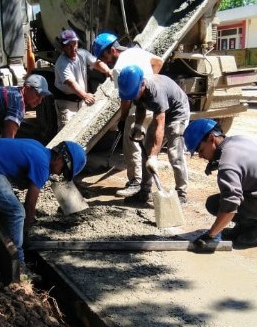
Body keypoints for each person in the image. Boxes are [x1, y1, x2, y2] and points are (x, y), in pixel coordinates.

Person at [0, 138, 87, 264]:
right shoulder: (42, 164)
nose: (59, 174)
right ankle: (17, 263)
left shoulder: (39, 148)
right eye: (63, 170)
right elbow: (29, 206)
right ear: (59, 158)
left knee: (7, 210)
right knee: (17, 212)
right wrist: (24, 231)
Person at [183, 118, 257, 252]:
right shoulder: (238, 140)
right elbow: (244, 163)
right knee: (222, 204)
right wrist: (215, 162)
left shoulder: (228, 163)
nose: (200, 156)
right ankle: (251, 224)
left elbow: (230, 204)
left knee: (215, 204)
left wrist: (210, 235)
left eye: (200, 150)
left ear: (211, 138)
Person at [92, 33, 164, 197]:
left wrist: (123, 119)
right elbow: (159, 62)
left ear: (112, 49)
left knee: (132, 146)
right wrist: (151, 79)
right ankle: (146, 186)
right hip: (152, 105)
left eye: (104, 56)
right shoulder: (137, 52)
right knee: (148, 148)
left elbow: (125, 99)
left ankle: (135, 183)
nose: (105, 61)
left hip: (136, 110)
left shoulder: (119, 68)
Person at [117, 65, 189, 205]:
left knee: (175, 153)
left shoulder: (155, 92)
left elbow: (160, 125)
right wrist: (138, 125)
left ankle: (182, 194)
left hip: (177, 113)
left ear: (142, 84)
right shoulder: (135, 88)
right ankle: (145, 192)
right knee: (147, 149)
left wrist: (154, 156)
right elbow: (140, 107)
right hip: (161, 111)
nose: (133, 97)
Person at [53, 29, 110, 129]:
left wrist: (108, 71)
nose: (73, 48)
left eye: (75, 44)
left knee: (82, 128)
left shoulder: (82, 54)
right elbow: (71, 83)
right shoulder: (62, 63)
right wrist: (85, 95)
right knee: (66, 131)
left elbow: (96, 63)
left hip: (80, 100)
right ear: (63, 47)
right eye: (69, 46)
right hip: (66, 103)